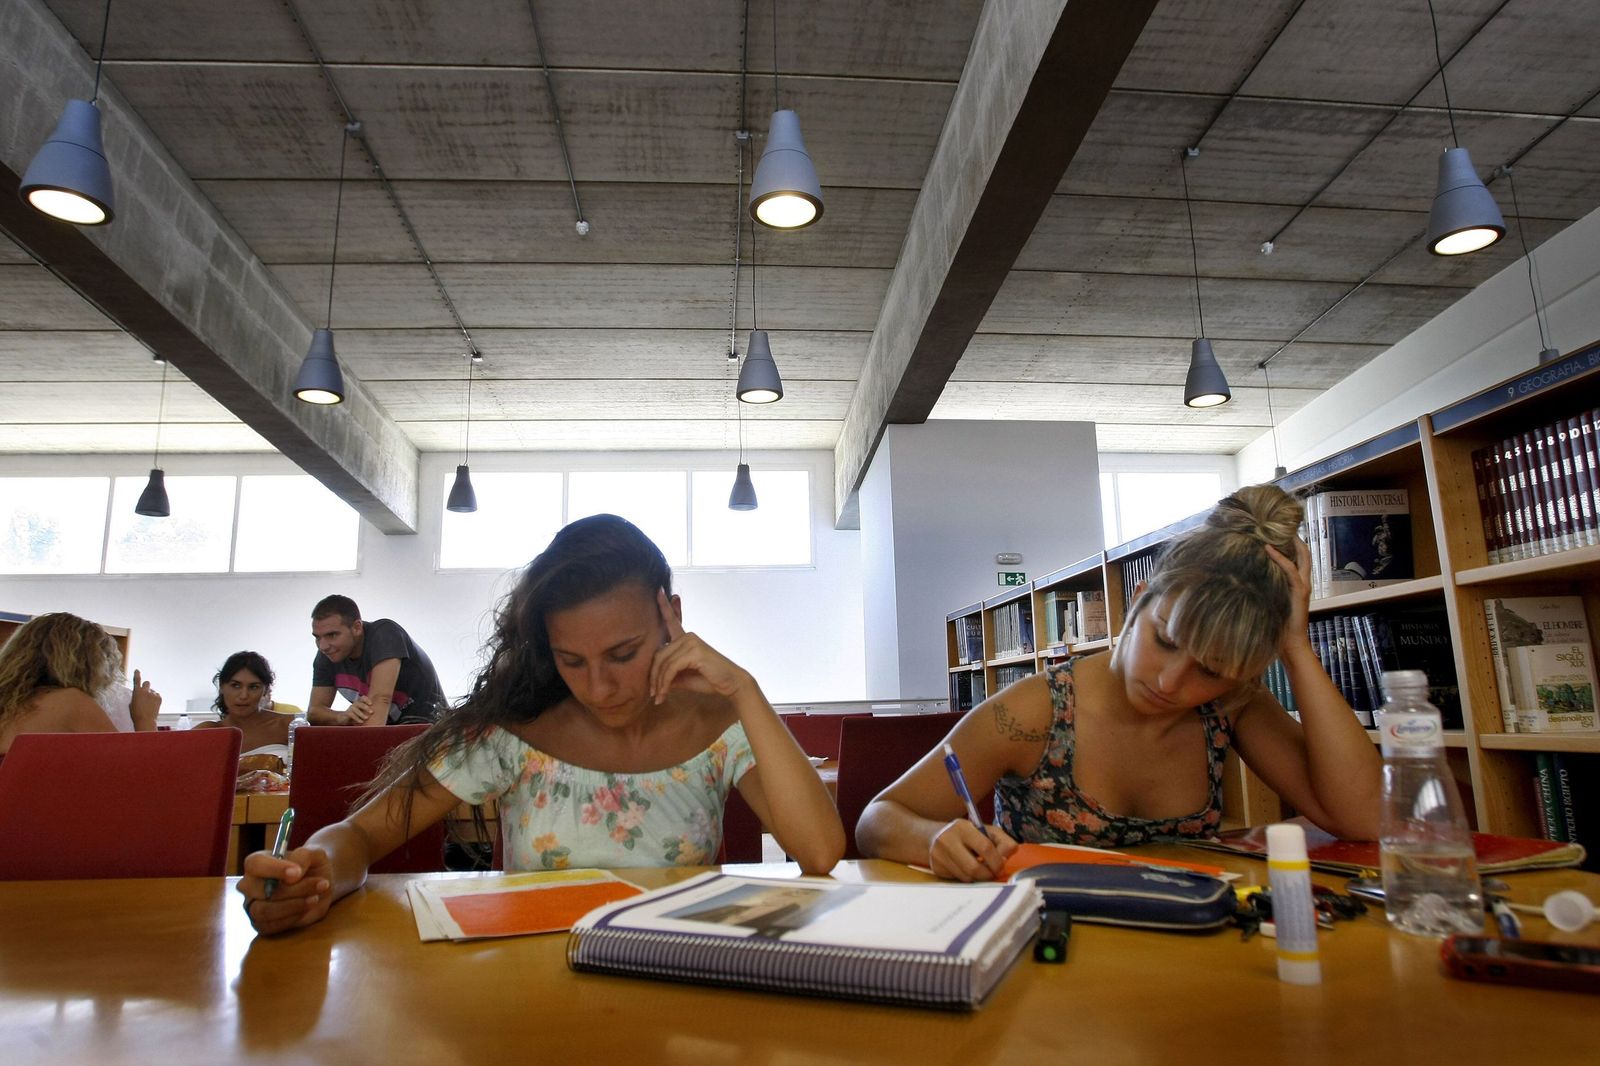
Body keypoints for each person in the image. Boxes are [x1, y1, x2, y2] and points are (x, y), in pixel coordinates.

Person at [241, 514, 844, 933]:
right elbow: (363, 836)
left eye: (623, 654)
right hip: (533, 985)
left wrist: (744, 689)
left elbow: (819, 853)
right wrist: (313, 871)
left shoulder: (720, 725)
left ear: (672, 617)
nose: (599, 688)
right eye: (571, 660)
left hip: (677, 984)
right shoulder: (515, 734)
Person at [856, 484, 1384, 882]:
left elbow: (1363, 819)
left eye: (1211, 670)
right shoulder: (1034, 711)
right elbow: (878, 819)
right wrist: (934, 840)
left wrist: (1294, 646)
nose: (1170, 682)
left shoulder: (1233, 706)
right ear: (1137, 604)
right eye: (1166, 640)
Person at [0, 612, 161, 756]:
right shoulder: (70, 702)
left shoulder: (10, 703)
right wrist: (146, 719)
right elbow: (134, 773)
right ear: (90, 663)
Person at [307, 595, 445, 727]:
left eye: (332, 635)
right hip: (391, 734)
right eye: (317, 637)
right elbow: (314, 712)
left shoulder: (385, 634)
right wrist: (341, 716)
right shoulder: (328, 653)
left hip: (433, 735)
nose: (323, 646)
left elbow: (380, 700)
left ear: (357, 627)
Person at [196, 651, 295, 753]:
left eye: (253, 687)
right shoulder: (206, 732)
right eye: (236, 685)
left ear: (265, 691)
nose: (244, 696)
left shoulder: (289, 726)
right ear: (221, 687)